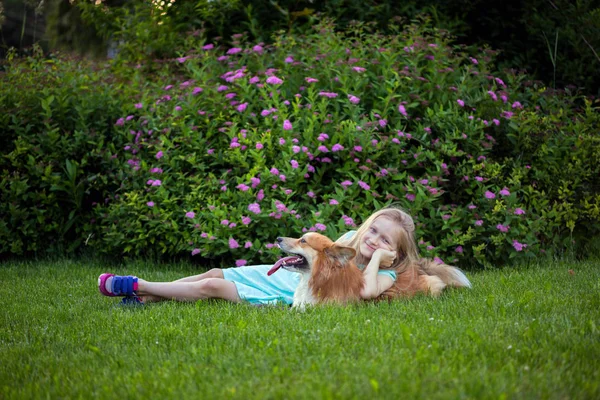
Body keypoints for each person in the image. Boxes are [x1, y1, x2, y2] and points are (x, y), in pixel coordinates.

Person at [98, 207, 419, 305]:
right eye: (374, 230)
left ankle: (138, 285)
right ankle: (147, 297)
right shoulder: (348, 240)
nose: (374, 241)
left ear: (395, 250)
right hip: (287, 276)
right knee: (213, 273)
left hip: (287, 294)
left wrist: (378, 261)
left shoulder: (385, 272)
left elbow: (364, 290)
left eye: (385, 240)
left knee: (212, 288)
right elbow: (317, 257)